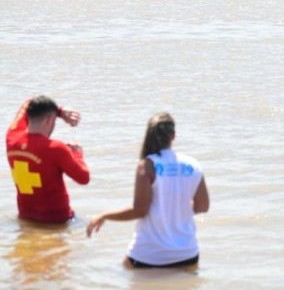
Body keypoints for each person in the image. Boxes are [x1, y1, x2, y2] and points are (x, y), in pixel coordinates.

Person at [86, 112, 209, 268]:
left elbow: (140, 210)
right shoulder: (193, 164)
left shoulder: (147, 165)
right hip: (187, 254)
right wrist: (178, 205)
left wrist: (104, 215)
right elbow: (202, 206)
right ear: (173, 136)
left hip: (149, 255)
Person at [6, 96, 89, 224]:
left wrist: (59, 111)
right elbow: (84, 178)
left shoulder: (11, 139)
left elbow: (27, 103)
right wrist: (77, 154)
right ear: (49, 120)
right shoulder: (56, 148)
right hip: (58, 222)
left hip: (26, 219)